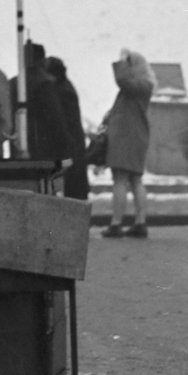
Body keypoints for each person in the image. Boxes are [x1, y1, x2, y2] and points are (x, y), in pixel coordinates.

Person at [100, 49, 155, 238]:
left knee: (120, 180)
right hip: (135, 136)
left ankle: (116, 223)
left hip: (126, 137)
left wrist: (121, 62)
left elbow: (121, 81)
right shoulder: (144, 86)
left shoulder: (139, 86)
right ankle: (140, 222)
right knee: (135, 179)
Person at [45, 56, 90, 201]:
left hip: (70, 144)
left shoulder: (61, 91)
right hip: (74, 143)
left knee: (73, 186)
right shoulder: (65, 86)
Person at [25, 41, 73, 166]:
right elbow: (56, 118)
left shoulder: (15, 82)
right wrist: (66, 144)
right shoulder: (45, 84)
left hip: (24, 145)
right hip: (46, 147)